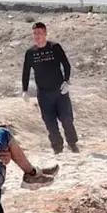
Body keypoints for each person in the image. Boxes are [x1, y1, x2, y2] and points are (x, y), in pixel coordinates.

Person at [21, 22, 79, 154]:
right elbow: (26, 71)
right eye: (35, 33)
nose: (37, 36)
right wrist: (24, 90)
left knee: (66, 119)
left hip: (60, 91)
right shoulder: (30, 53)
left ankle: (72, 143)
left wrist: (67, 81)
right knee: (50, 123)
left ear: (45, 33)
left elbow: (66, 64)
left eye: (40, 33)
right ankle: (57, 148)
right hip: (43, 93)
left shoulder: (55, 47)